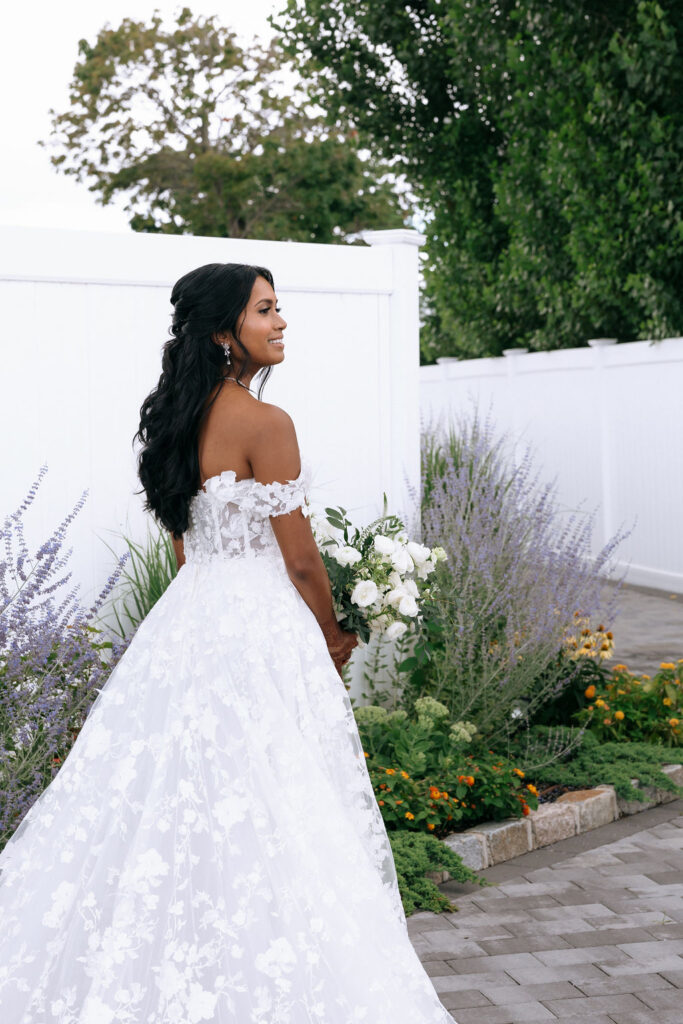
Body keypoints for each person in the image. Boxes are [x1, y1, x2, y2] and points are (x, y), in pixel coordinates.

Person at [0, 263, 454, 1023]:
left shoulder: (179, 419)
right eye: (265, 310)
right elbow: (303, 558)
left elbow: (186, 547)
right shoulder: (266, 425)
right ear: (223, 331)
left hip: (189, 621)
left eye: (280, 309)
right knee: (280, 798)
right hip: (261, 626)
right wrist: (334, 632)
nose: (280, 323)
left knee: (176, 794)